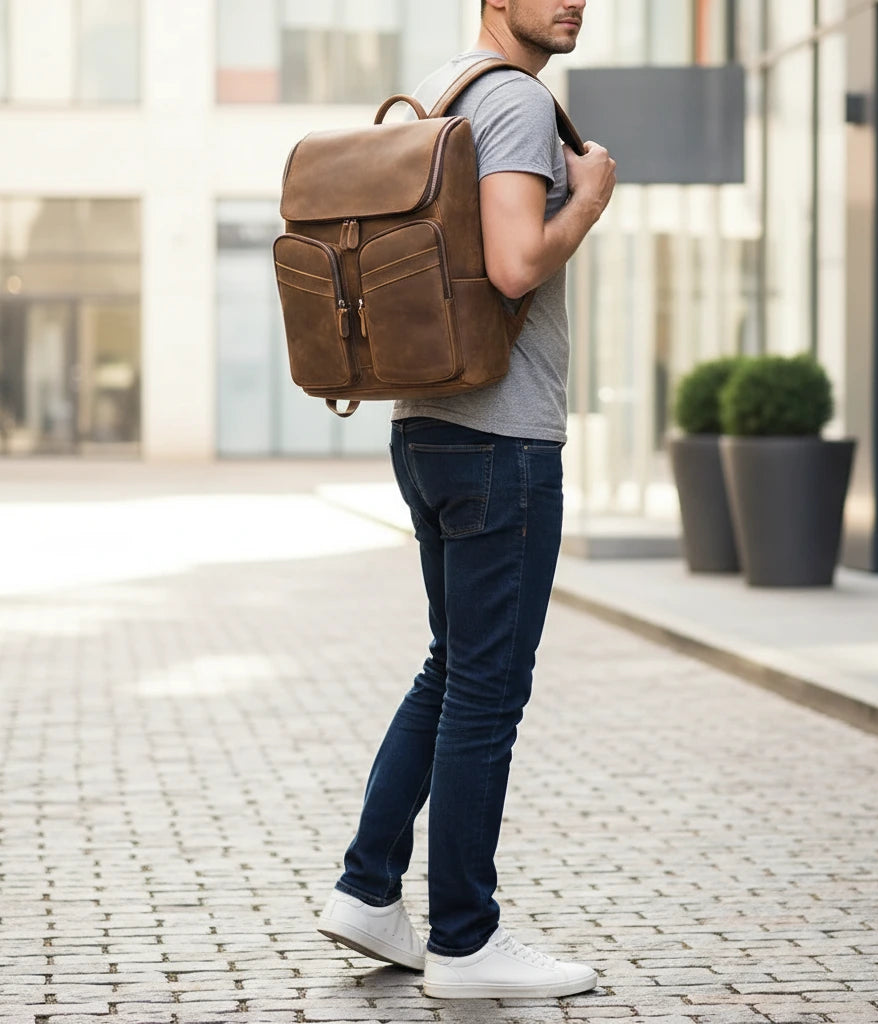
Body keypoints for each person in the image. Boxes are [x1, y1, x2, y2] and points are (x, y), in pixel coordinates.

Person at [317, 0, 615, 1000]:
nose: (574, 0)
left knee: (453, 671)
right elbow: (515, 261)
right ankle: (465, 939)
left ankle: (368, 888)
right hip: (503, 438)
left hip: (427, 425)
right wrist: (591, 197)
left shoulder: (445, 90)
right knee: (488, 690)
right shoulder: (520, 103)